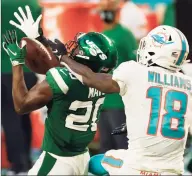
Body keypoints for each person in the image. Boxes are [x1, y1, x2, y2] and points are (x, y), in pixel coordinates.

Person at [62, 25, 192, 175]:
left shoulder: (134, 71)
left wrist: (63, 57)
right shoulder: (188, 84)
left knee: (94, 163)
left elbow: (91, 79)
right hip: (172, 172)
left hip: (136, 168)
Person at [3, 15, 118, 176]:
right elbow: (71, 72)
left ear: (86, 56)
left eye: (78, 48)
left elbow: (21, 105)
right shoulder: (101, 81)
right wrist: (39, 39)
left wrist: (16, 63)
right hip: (81, 158)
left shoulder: (62, 79)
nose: (73, 48)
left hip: (58, 161)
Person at [1, 1, 41, 174]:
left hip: (5, 68)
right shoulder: (33, 4)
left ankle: (19, 165)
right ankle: (27, 160)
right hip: (29, 69)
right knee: (24, 116)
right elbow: (39, 38)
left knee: (10, 118)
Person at [98, 0, 137, 152]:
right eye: (103, 9)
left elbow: (134, 63)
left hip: (119, 100)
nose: (106, 12)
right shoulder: (101, 35)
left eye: (109, 8)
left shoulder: (125, 34)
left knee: (122, 144)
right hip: (102, 100)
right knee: (105, 145)